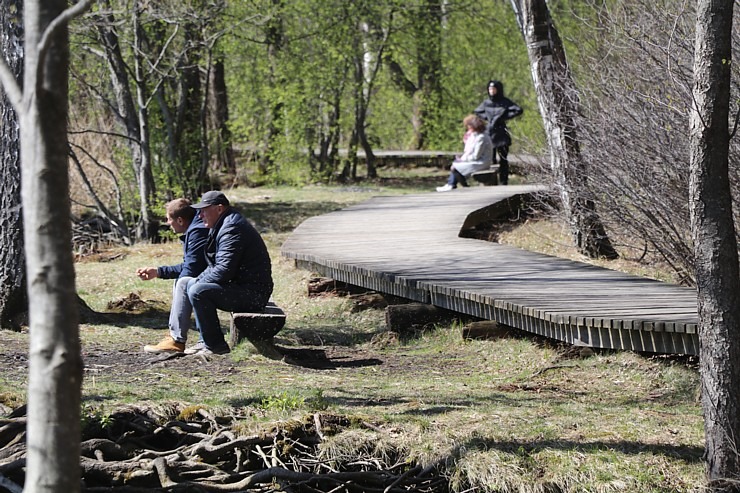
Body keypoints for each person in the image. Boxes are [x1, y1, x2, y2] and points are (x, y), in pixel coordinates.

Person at [186, 190, 274, 356]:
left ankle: (215, 346)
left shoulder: (231, 228)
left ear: (219, 209)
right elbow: (215, 266)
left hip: (253, 294)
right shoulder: (223, 223)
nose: (200, 215)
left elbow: (223, 271)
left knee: (198, 291)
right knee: (192, 285)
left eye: (204, 210)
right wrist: (198, 279)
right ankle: (204, 341)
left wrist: (199, 283)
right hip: (244, 287)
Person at [137, 198, 209, 354]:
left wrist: (179, 283)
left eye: (169, 219)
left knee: (184, 282)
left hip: (235, 282)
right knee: (184, 280)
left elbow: (191, 270)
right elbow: (192, 265)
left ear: (180, 220)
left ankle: (176, 340)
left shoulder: (197, 232)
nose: (168, 223)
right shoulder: (195, 227)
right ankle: (185, 338)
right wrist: (158, 272)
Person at [474, 80, 523, 185]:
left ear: (498, 90)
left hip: (501, 133)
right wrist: (487, 118)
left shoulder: (505, 102)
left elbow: (518, 110)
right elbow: (477, 111)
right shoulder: (486, 103)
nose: (491, 91)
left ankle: (503, 181)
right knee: (490, 158)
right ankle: (491, 182)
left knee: (503, 159)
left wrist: (503, 117)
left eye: (494, 89)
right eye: (490, 89)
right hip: (490, 132)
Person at [436, 114, 493, 192]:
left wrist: (463, 159)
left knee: (455, 167)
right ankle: (451, 184)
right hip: (477, 161)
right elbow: (469, 150)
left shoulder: (481, 137)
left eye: (469, 126)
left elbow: (476, 156)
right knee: (455, 165)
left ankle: (460, 186)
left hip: (482, 162)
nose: (467, 128)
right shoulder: (475, 135)